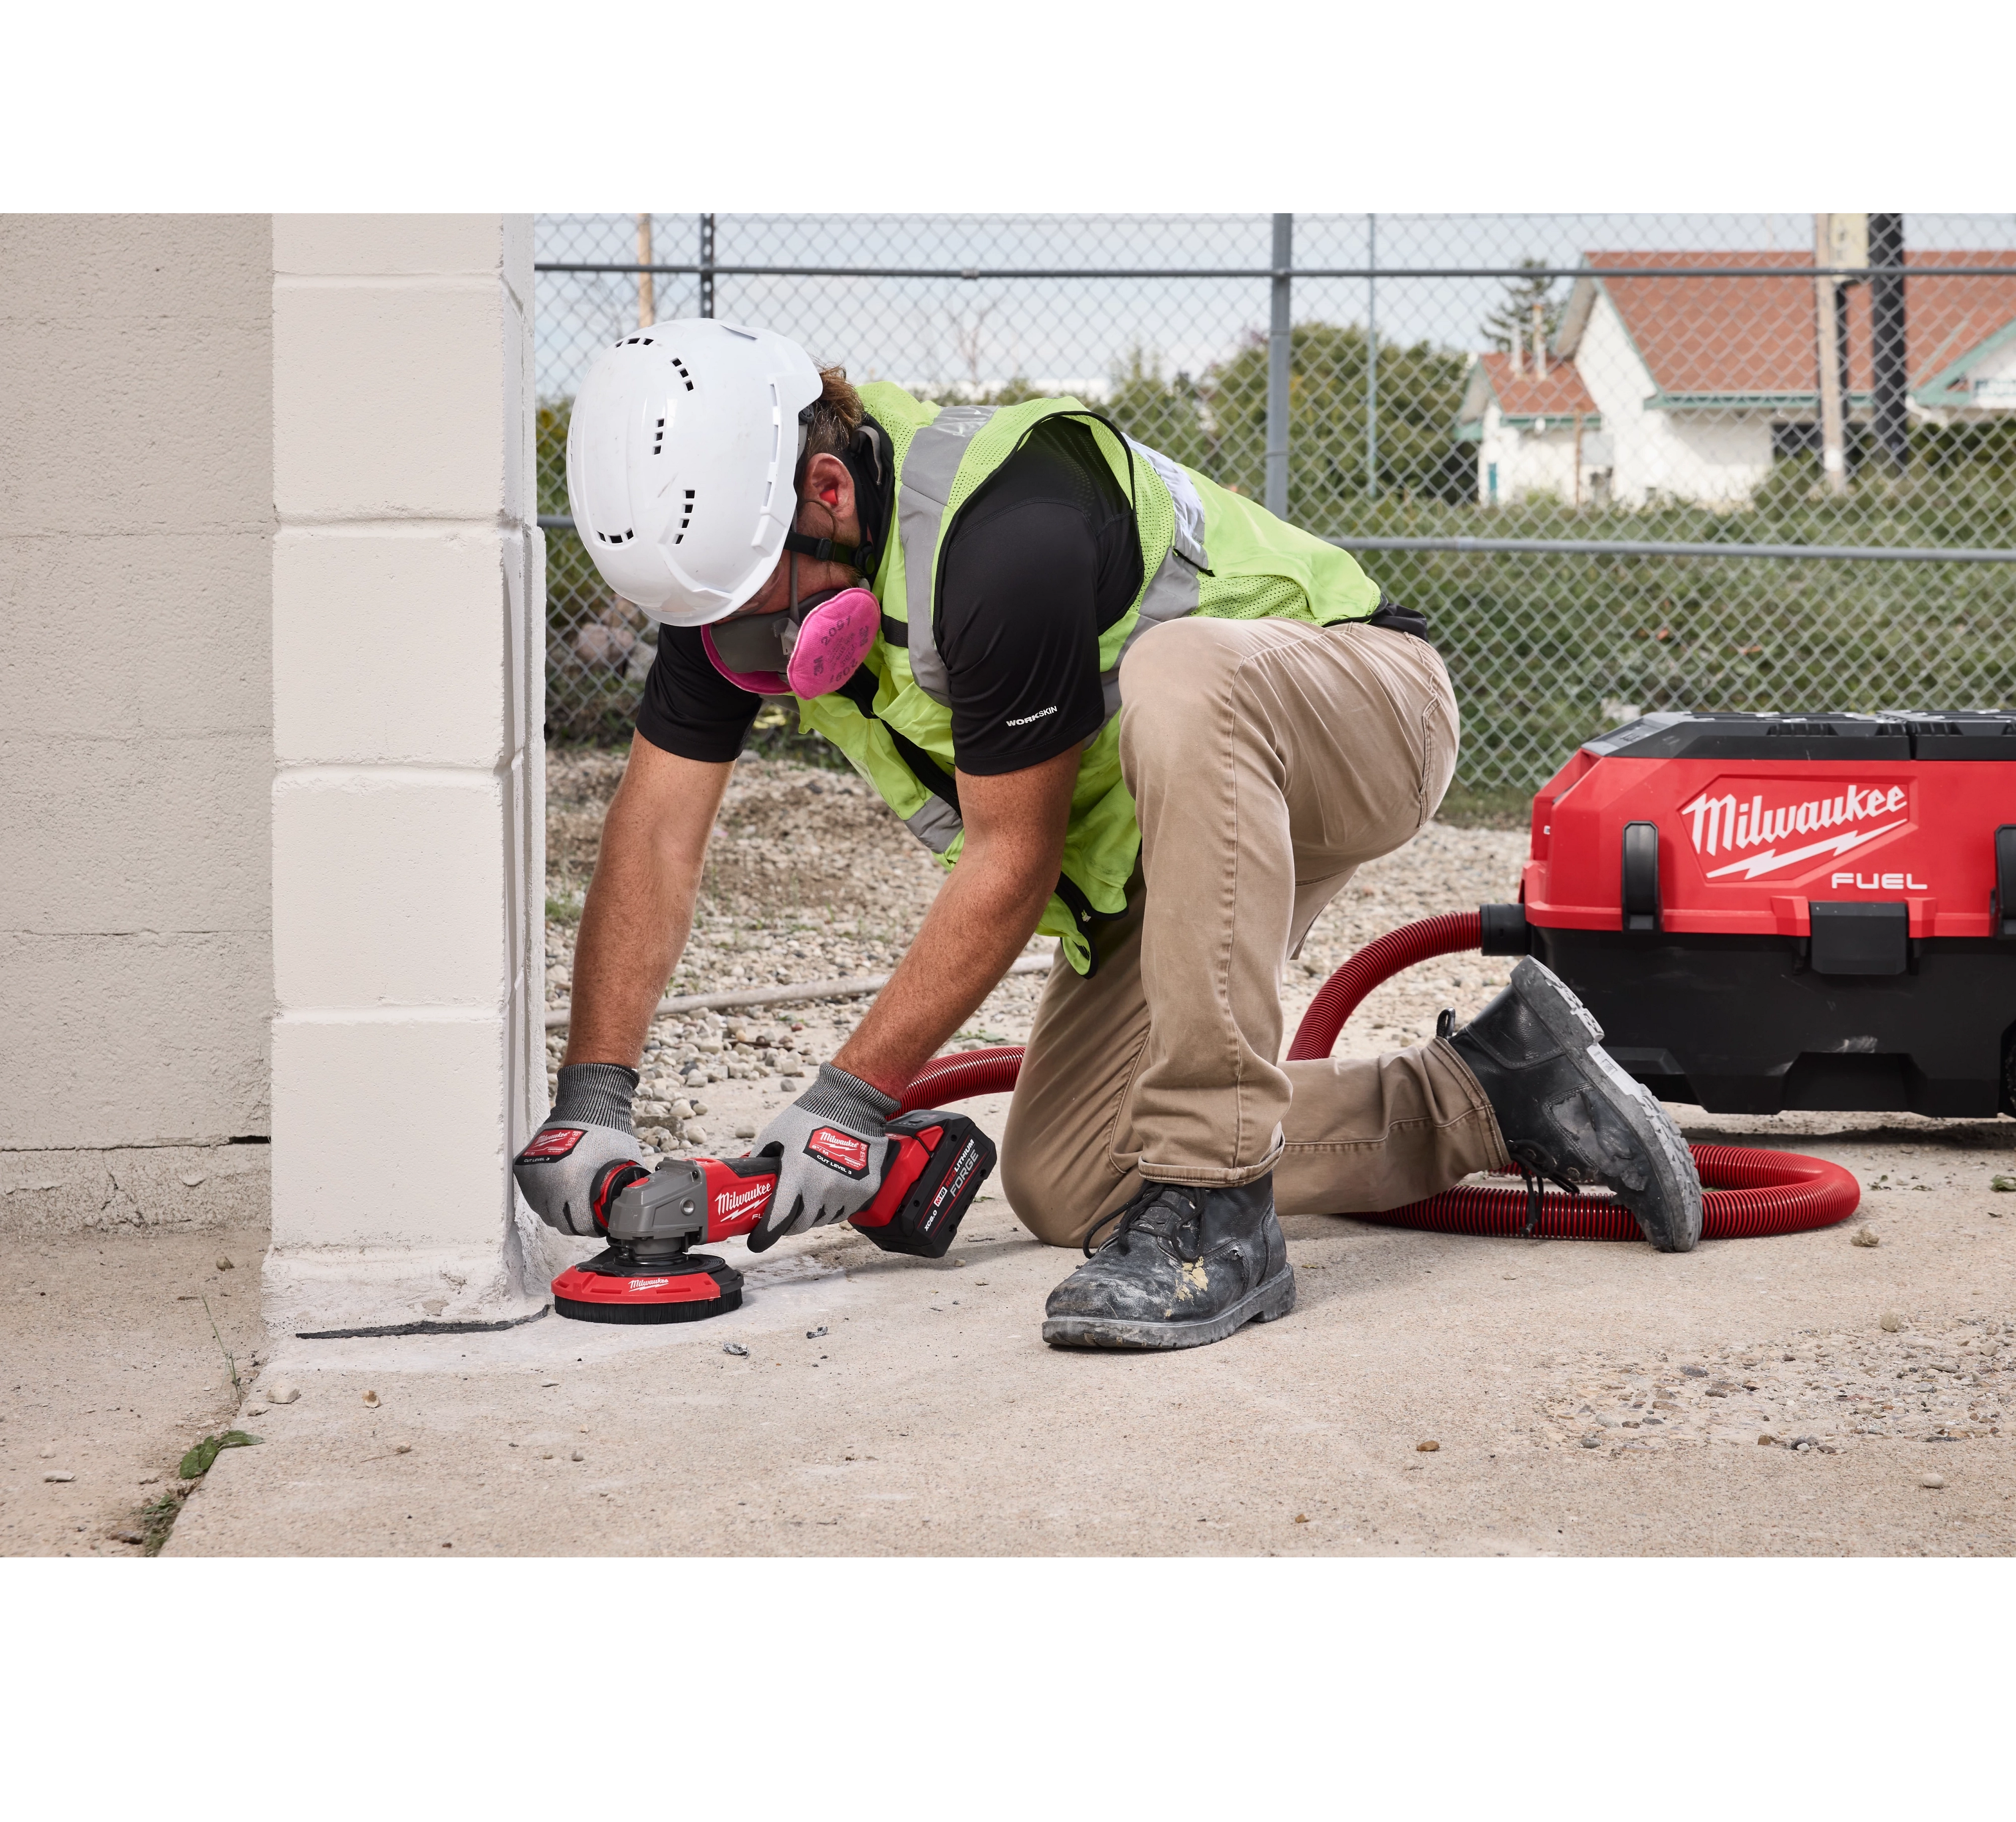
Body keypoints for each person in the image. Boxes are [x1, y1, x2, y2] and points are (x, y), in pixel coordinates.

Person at [516, 321, 1700, 1352]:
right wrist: (594, 1097)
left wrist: (845, 1099)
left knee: (1179, 672)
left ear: (828, 488)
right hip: (1175, 833)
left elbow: (1008, 858)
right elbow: (657, 829)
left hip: (1358, 709)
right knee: (1069, 1175)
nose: (750, 664)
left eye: (757, 615)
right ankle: (1501, 1088)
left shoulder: (998, 531)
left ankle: (1220, 1218)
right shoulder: (731, 570)